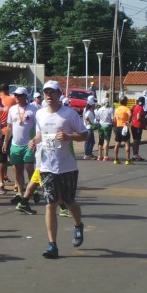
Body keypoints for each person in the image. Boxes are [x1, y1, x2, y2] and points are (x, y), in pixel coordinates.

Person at [30, 81, 89, 259]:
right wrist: (34, 141)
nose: (48, 95)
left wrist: (69, 136)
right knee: (50, 204)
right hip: (46, 166)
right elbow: (40, 133)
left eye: (52, 92)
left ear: (59, 93)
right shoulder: (39, 114)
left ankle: (78, 224)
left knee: (69, 201)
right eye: (46, 92)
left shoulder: (69, 114)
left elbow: (85, 134)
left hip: (67, 167)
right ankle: (52, 245)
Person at [3, 87, 37, 206]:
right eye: (15, 95)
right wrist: (5, 142)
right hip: (15, 144)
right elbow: (9, 127)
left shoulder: (33, 108)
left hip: (29, 143)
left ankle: (34, 188)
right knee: (17, 170)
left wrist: (36, 141)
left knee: (28, 167)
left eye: (19, 95)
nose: (17, 97)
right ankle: (20, 193)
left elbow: (39, 127)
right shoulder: (12, 109)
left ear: (25, 96)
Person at [113, 95, 132, 165]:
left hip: (118, 127)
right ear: (125, 102)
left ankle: (116, 159)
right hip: (124, 127)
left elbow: (114, 120)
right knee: (127, 143)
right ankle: (128, 159)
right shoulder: (126, 109)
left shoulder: (117, 109)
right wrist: (128, 121)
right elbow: (130, 114)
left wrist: (114, 128)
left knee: (117, 143)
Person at [131, 97, 146, 161]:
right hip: (138, 126)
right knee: (137, 141)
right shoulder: (140, 108)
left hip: (133, 125)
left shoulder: (135, 106)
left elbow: (131, 112)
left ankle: (135, 154)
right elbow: (138, 118)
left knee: (135, 140)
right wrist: (145, 120)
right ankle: (135, 155)